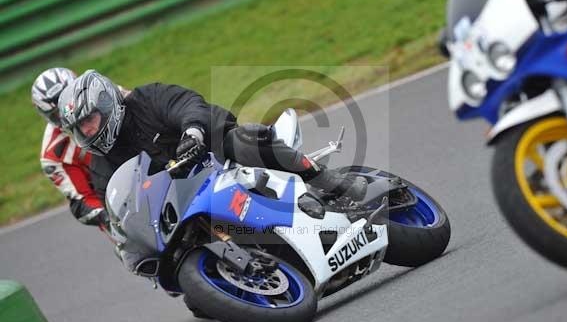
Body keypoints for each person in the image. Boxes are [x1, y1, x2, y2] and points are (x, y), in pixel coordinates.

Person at [57, 70, 367, 205]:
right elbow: (116, 203)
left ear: (107, 103)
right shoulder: (101, 163)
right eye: (80, 128)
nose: (88, 131)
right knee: (191, 297)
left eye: (90, 120)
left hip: (215, 155)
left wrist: (192, 132)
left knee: (243, 141)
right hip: (182, 197)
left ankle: (323, 178)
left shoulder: (147, 98)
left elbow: (186, 104)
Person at [32, 68, 109, 227]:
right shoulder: (52, 155)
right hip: (114, 202)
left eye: (71, 100)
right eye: (58, 113)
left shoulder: (105, 94)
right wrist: (108, 216)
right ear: (47, 116)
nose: (69, 114)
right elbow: (83, 200)